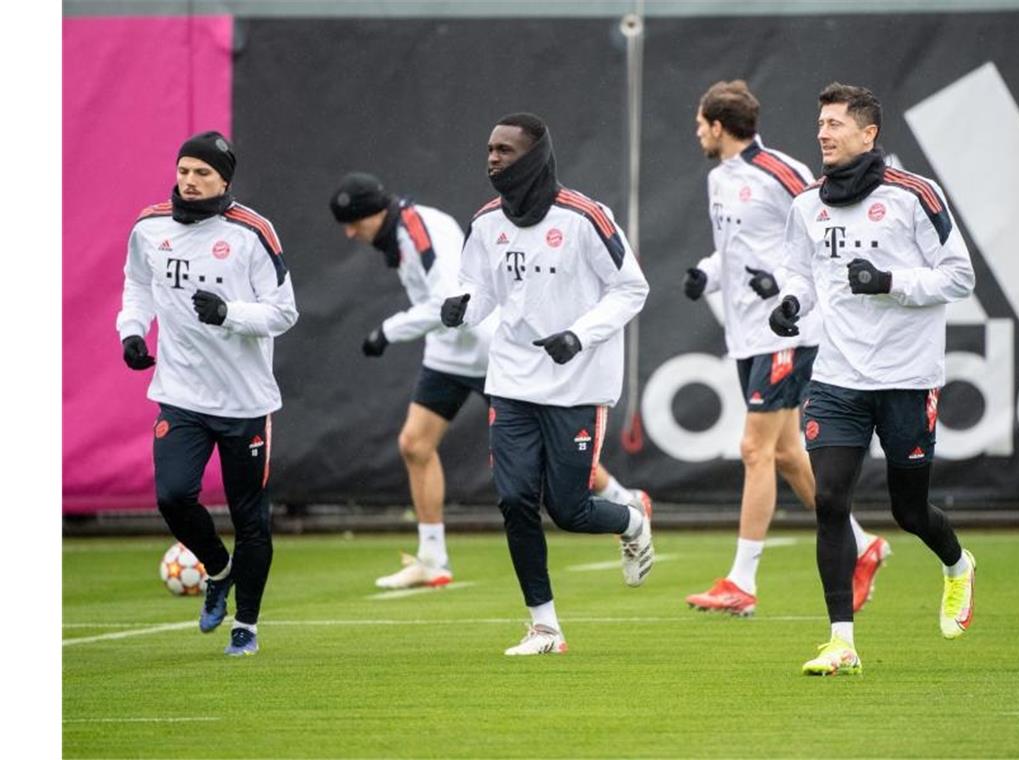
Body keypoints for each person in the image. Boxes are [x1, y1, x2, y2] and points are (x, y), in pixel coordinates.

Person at [328, 173, 650, 590]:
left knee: (558, 459)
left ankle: (625, 502)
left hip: (485, 352)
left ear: (375, 212)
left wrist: (389, 331)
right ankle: (432, 557)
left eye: (355, 222)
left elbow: (449, 303)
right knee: (414, 443)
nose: (351, 233)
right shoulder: (400, 235)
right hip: (448, 354)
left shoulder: (420, 230)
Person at [771, 83, 977, 675]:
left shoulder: (916, 195)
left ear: (869, 134)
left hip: (908, 377)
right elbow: (799, 272)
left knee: (909, 511)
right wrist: (790, 302)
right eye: (820, 123)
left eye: (835, 123)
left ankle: (958, 566)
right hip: (837, 377)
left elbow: (959, 277)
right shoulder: (806, 204)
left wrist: (889, 281)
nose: (823, 132)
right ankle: (841, 641)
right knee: (830, 499)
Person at [440, 113, 652, 655]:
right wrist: (462, 309)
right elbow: (482, 291)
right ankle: (545, 627)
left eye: (504, 150)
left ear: (534, 156)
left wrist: (579, 336)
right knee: (514, 500)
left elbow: (631, 288)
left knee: (570, 509)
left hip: (576, 385)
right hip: (511, 382)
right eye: (489, 149)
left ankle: (631, 520)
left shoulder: (586, 216)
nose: (492, 159)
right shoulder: (486, 221)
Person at [681, 80, 888, 618]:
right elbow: (735, 249)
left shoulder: (780, 171)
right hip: (745, 332)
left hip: (786, 331)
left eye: (701, 122)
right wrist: (706, 275)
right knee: (788, 455)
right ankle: (864, 545)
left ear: (719, 126)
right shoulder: (718, 179)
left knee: (754, 449)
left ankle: (742, 581)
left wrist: (788, 287)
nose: (698, 130)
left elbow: (822, 226)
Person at [116, 131, 299, 656]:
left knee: (251, 519)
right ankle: (218, 570)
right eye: (184, 171)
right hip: (180, 393)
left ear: (225, 179)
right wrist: (132, 330)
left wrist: (230, 313)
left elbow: (285, 312)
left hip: (245, 402)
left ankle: (247, 625)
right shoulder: (150, 227)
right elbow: (137, 285)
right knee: (172, 495)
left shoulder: (251, 232)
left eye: (203, 174)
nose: (190, 182)